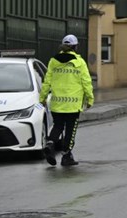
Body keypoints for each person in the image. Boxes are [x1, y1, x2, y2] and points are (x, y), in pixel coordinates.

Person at [39, 34, 93, 167]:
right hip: (73, 105)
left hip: (57, 103)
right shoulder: (79, 62)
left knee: (57, 126)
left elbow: (47, 81)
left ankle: (50, 144)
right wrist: (90, 98)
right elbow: (86, 82)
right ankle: (66, 156)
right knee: (70, 131)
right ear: (75, 47)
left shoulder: (53, 61)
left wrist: (43, 97)